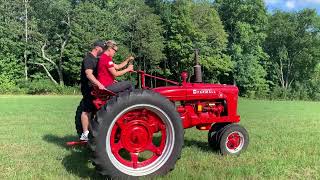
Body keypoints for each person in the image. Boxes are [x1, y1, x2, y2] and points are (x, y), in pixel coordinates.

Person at [79, 40, 106, 141]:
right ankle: (85, 134)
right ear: (97, 48)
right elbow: (89, 74)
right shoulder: (88, 59)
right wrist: (99, 85)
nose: (103, 51)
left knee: (95, 109)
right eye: (102, 49)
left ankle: (94, 132)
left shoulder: (96, 59)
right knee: (87, 110)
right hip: (88, 88)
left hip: (95, 89)